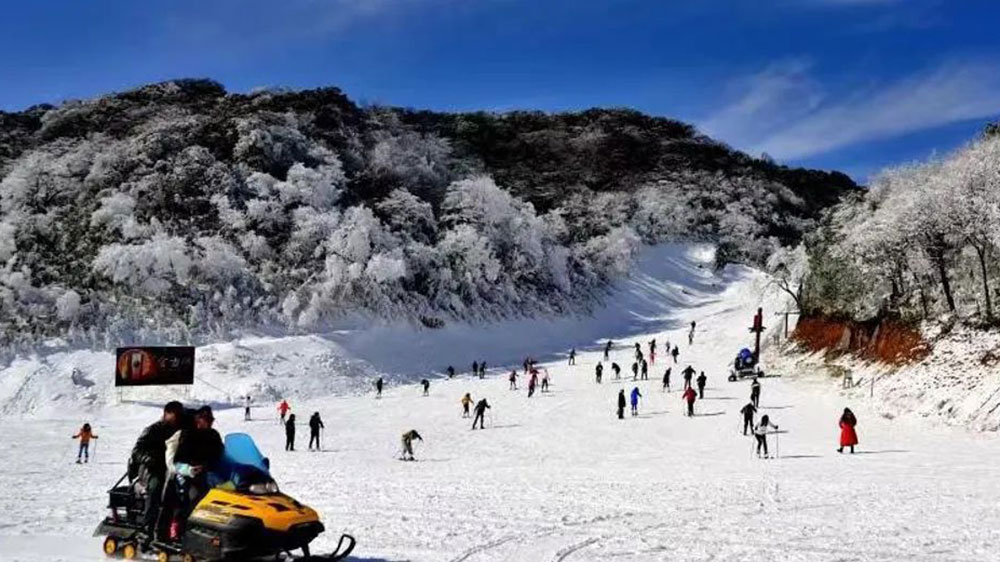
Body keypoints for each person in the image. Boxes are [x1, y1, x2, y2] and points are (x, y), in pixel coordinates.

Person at [129, 401, 185, 543]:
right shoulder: (152, 430)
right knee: (156, 488)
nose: (177, 418)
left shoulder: (180, 428)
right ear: (166, 413)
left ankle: (171, 530)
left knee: (178, 492)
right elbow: (136, 451)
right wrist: (147, 458)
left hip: (172, 468)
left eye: (179, 415)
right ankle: (147, 530)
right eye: (175, 415)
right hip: (151, 469)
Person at [173, 406, 224, 522]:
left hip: (210, 472)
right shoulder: (187, 435)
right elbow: (177, 459)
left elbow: (221, 453)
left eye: (211, 420)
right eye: (207, 420)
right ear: (198, 419)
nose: (210, 423)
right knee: (194, 495)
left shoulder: (213, 435)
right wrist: (190, 468)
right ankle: (180, 523)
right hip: (187, 472)